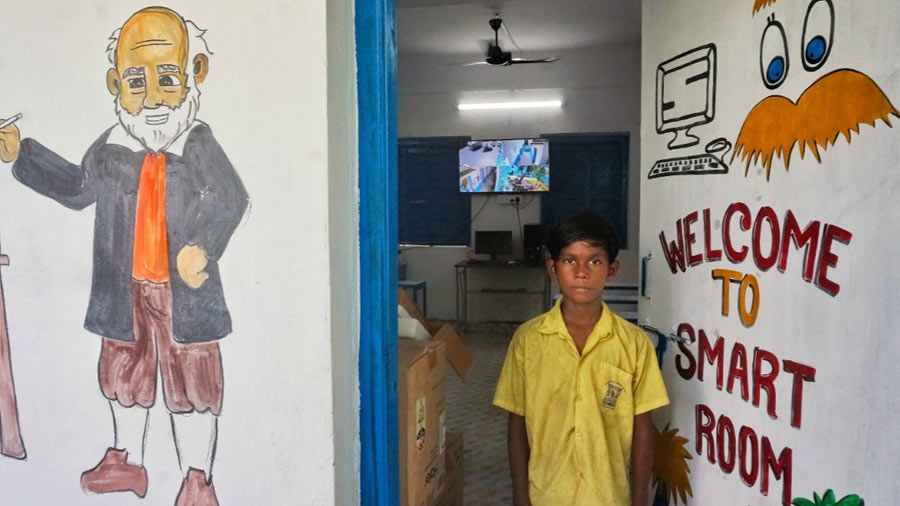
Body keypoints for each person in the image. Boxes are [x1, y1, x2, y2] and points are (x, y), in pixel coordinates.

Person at [0, 7, 247, 505]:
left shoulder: (197, 143)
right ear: (115, 83)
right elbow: (75, 187)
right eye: (136, 80)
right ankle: (127, 461)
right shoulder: (112, 148)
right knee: (124, 376)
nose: (153, 96)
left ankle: (198, 480)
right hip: (124, 293)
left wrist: (201, 245)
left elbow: (229, 198)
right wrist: (21, 153)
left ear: (193, 76)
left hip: (185, 300)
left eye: (167, 78)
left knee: (191, 386)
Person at [493, 212, 669, 506]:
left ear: (611, 270)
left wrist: (639, 500)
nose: (581, 272)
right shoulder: (528, 340)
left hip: (608, 497)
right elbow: (517, 422)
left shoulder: (634, 344)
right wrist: (521, 497)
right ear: (553, 267)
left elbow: (642, 429)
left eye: (594, 261)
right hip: (546, 495)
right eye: (569, 260)